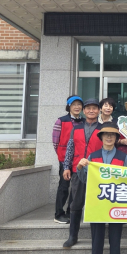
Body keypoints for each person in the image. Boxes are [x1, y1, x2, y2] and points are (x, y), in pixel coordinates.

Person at [79, 123, 127, 254]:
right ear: (101, 138)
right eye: (106, 134)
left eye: (112, 135)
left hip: (116, 206)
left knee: (115, 242)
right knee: (97, 242)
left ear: (116, 138)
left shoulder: (123, 157)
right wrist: (80, 167)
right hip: (97, 206)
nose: (109, 137)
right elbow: (84, 180)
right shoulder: (93, 157)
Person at [62, 98, 103, 248]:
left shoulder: (103, 129)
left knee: (96, 203)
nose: (91, 111)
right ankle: (72, 236)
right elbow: (70, 149)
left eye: (94, 108)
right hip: (77, 170)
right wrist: (66, 166)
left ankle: (96, 237)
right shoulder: (76, 128)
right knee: (76, 203)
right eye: (88, 108)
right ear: (84, 111)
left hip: (97, 172)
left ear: (99, 111)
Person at [52, 95, 83, 224]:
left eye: (79, 104)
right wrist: (62, 157)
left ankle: (71, 212)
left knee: (76, 187)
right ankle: (59, 214)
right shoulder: (61, 121)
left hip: (78, 160)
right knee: (64, 187)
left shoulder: (83, 122)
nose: (77, 107)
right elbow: (55, 142)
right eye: (74, 104)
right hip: (65, 159)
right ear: (69, 106)